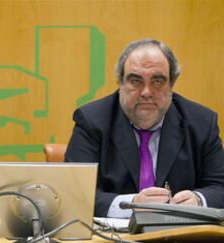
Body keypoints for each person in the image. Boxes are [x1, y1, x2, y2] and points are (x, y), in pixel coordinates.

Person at [65, 38, 224, 218]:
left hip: (182, 239)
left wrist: (198, 200)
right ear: (120, 83)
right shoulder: (92, 121)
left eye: (157, 81)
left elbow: (220, 186)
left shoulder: (201, 122)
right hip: (110, 240)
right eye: (136, 81)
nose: (146, 92)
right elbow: (75, 193)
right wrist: (131, 205)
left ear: (172, 84)